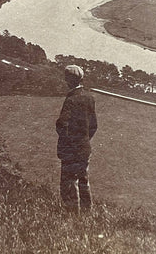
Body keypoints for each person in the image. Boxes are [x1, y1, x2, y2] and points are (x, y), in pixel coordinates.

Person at [56, 65, 97, 213]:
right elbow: (93, 125)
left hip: (71, 149)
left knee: (69, 182)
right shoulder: (89, 98)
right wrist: (83, 139)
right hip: (84, 147)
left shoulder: (71, 99)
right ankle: (87, 212)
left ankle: (72, 214)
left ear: (68, 80)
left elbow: (62, 124)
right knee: (83, 180)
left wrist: (67, 143)